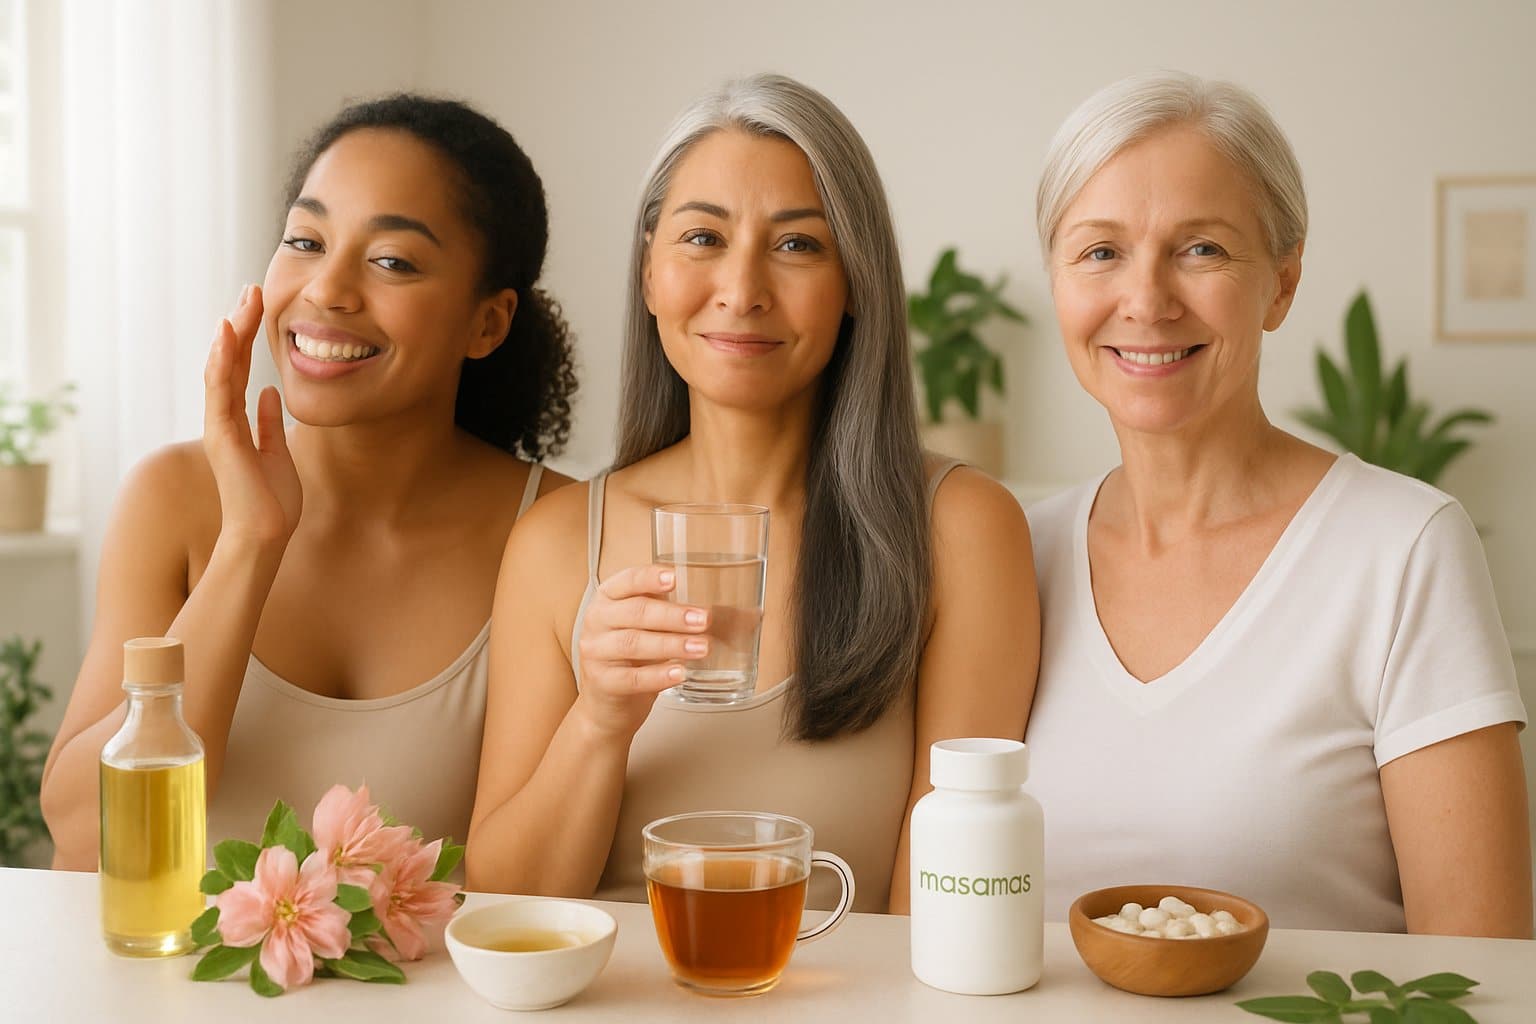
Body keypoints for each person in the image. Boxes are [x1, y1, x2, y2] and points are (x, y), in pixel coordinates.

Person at [465, 73, 1038, 914]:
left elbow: (949, 911)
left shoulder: (959, 528)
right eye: (703, 238)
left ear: (857, 283)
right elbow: (504, 904)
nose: (742, 290)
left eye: (798, 245)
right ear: (650, 270)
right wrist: (599, 721)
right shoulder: (557, 542)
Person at [1024, 71, 1530, 935]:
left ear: (1283, 284)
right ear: (1058, 282)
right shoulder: (1013, 554)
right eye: (1101, 251)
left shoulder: (1403, 548)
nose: (1145, 301)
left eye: (1202, 250)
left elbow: (1485, 968)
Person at [42, 94, 578, 865]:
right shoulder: (172, 498)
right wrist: (249, 545)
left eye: (392, 260)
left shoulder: (554, 528)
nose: (327, 289)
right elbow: (87, 836)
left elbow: (537, 885)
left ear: (486, 324)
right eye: (305, 240)